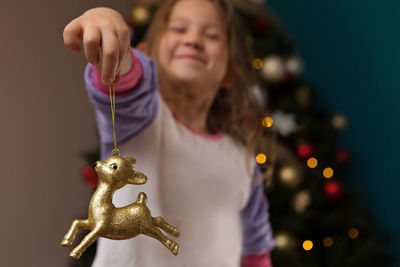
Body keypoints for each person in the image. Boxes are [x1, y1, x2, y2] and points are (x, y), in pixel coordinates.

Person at [63, 0, 274, 266]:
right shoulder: (139, 119)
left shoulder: (244, 163)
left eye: (211, 35)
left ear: (230, 70)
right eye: (178, 29)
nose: (193, 40)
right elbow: (127, 80)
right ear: (147, 55)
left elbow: (256, 252)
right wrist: (109, 26)